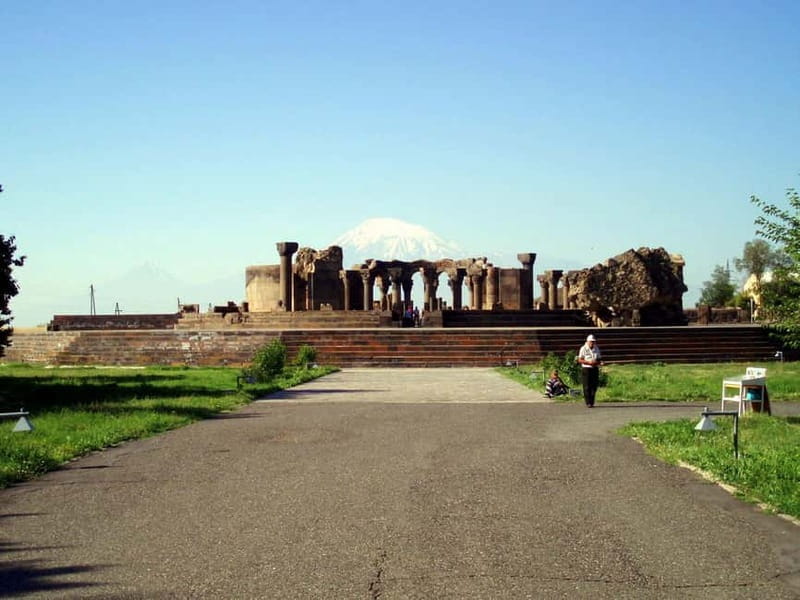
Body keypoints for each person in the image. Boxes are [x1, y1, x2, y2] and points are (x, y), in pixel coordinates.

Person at [577, 334, 602, 407]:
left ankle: (592, 401)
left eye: (593, 342)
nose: (592, 343)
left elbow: (599, 358)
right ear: (587, 341)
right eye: (591, 342)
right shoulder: (583, 348)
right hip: (586, 368)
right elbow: (580, 359)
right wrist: (588, 362)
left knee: (594, 386)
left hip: (594, 368)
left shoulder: (596, 348)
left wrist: (599, 362)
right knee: (587, 386)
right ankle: (588, 402)